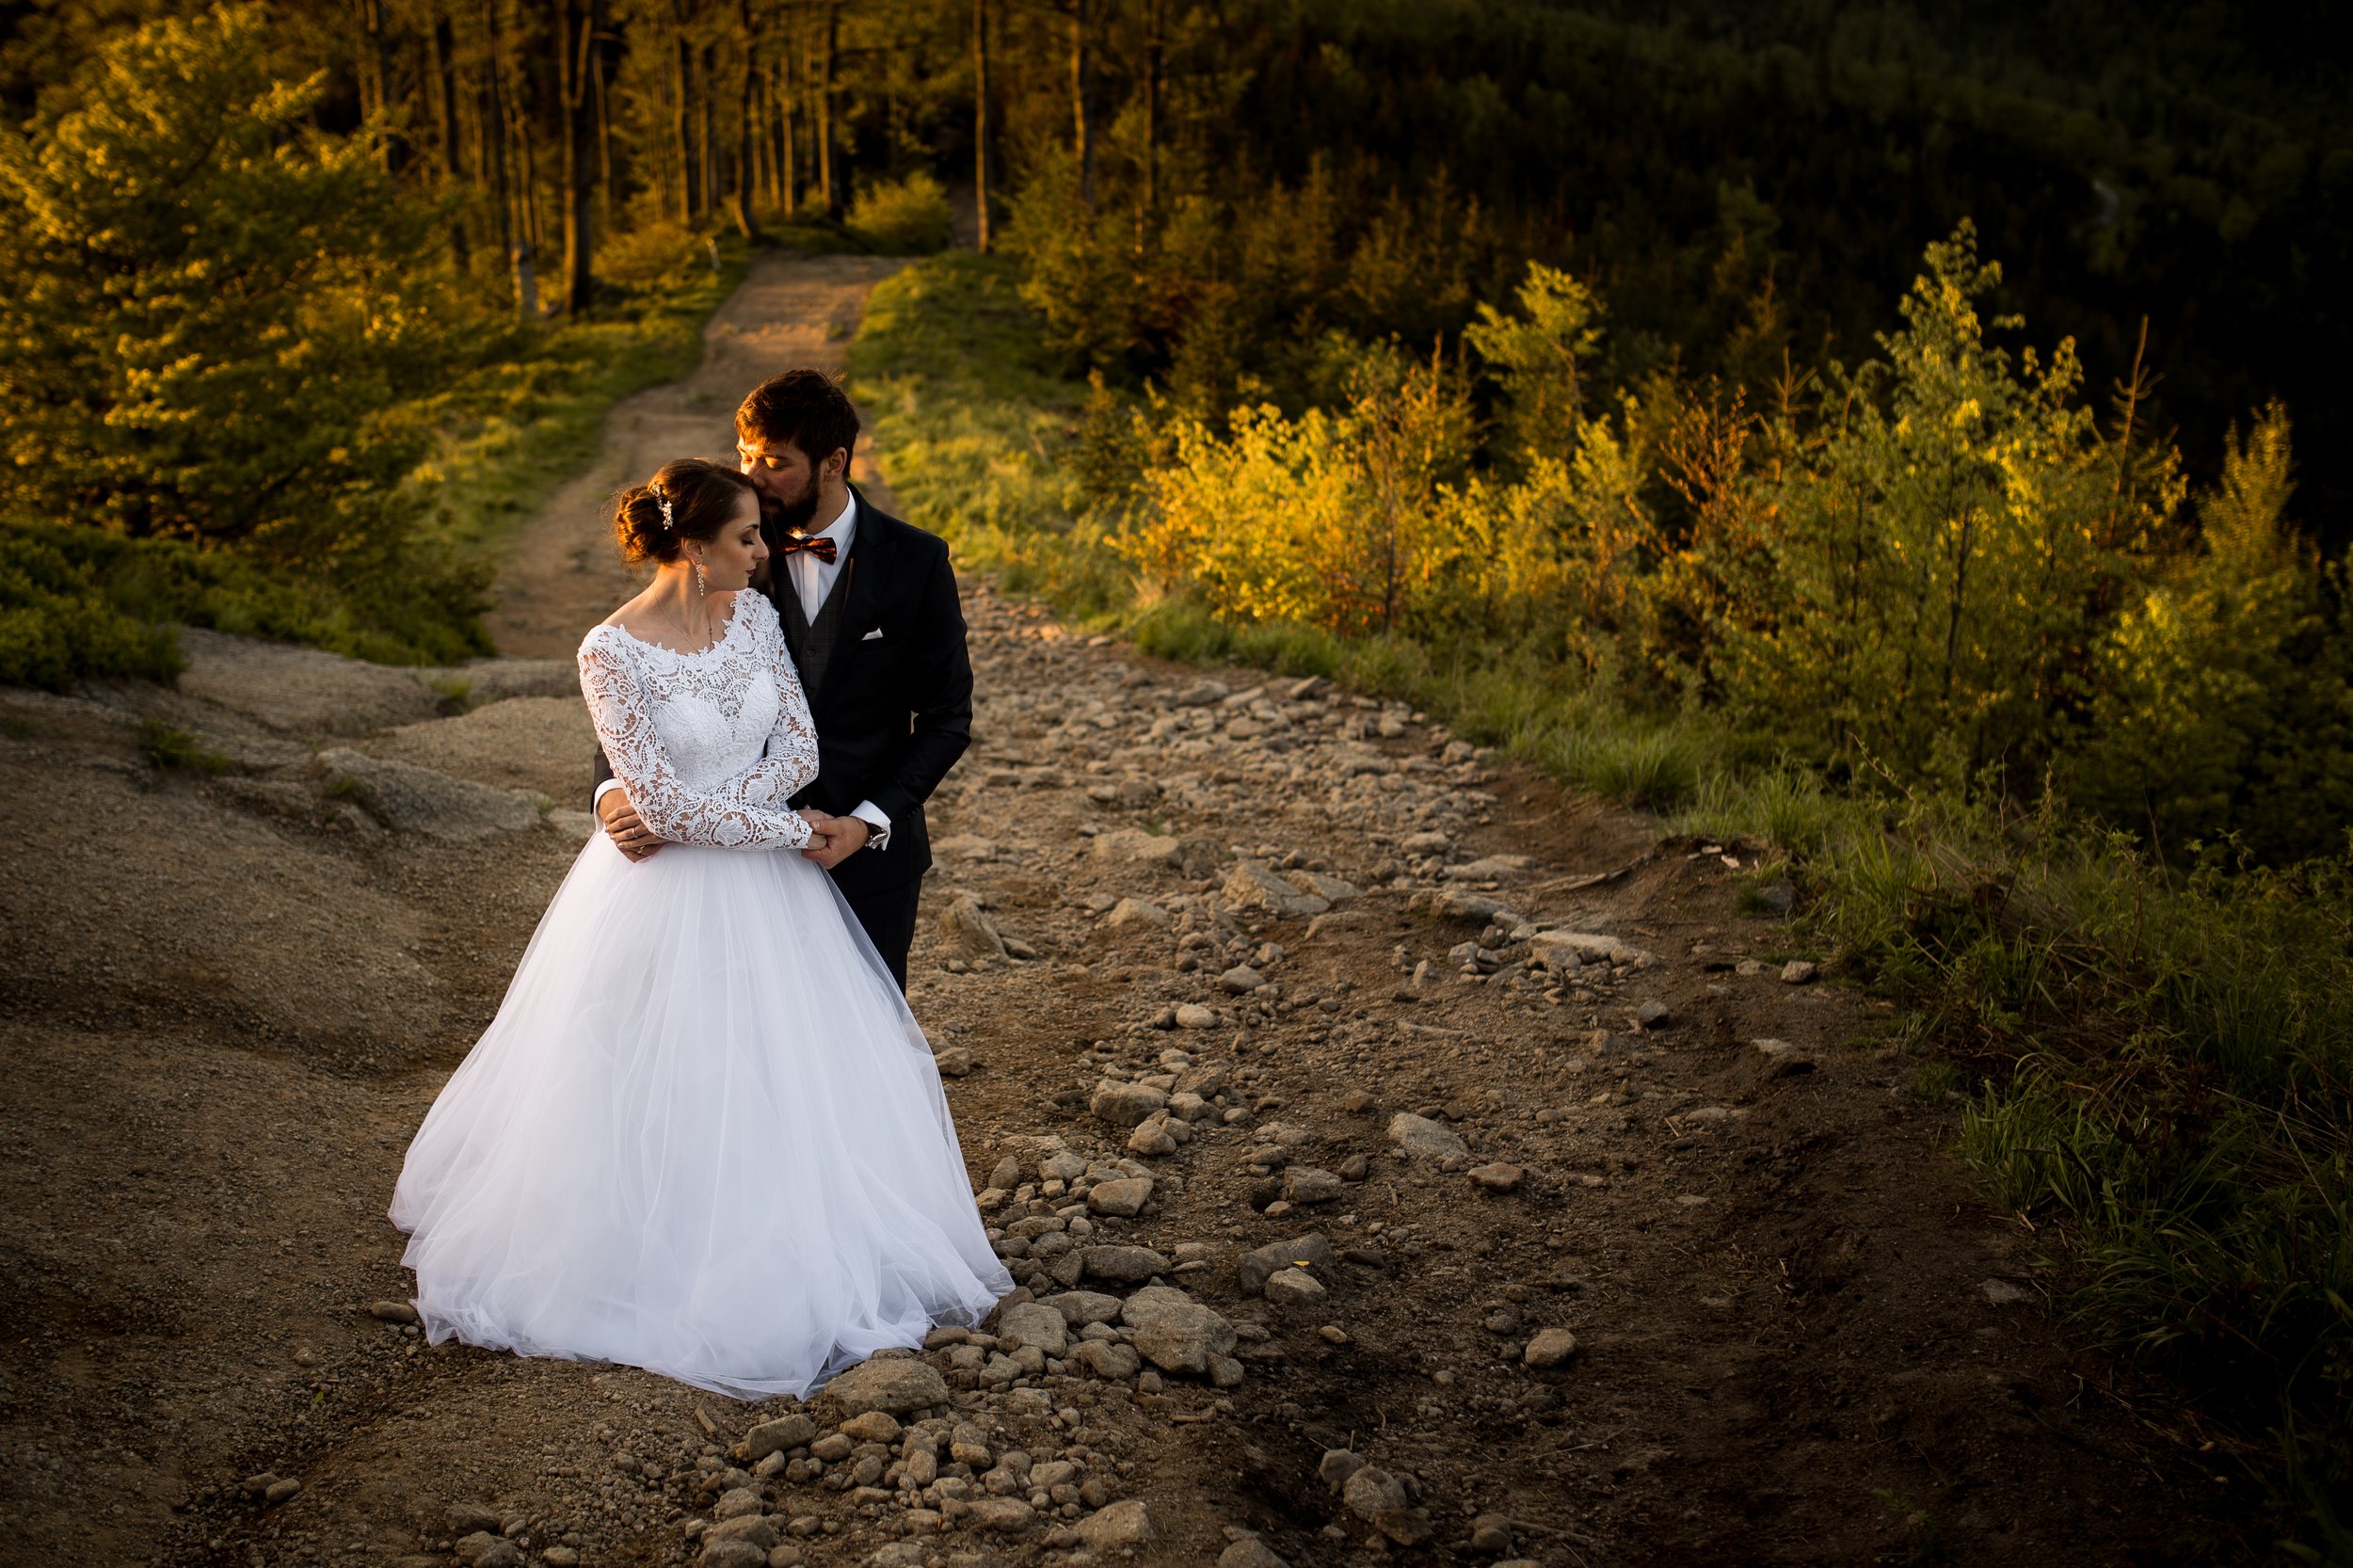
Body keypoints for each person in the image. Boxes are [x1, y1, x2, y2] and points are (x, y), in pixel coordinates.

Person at [389, 458, 1012, 1399]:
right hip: (657, 893)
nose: (765, 552)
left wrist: (720, 813)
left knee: (780, 1068)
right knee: (659, 1066)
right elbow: (653, 805)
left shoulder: (755, 618)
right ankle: (648, 1256)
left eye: (763, 535)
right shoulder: (607, 652)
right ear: (692, 547)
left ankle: (790, 1240)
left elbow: (796, 750)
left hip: (767, 892)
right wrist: (769, 828)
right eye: (747, 537)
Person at [592, 370, 969, 991]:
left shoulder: (918, 561)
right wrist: (612, 794)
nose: (752, 475)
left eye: (774, 461)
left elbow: (947, 718)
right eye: (745, 454)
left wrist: (866, 822)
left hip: (863, 859)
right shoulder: (716, 546)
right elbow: (642, 671)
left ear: (834, 462)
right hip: (720, 866)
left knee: (860, 1038)